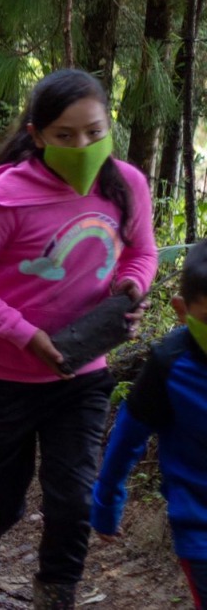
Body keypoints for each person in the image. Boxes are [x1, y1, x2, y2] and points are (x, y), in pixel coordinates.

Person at [0, 68, 157, 609]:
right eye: (65, 135)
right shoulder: (9, 195)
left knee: (73, 501)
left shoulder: (127, 184)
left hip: (81, 374)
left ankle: (54, 598)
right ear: (37, 135)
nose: (82, 145)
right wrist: (25, 334)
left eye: (93, 132)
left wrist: (133, 283)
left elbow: (142, 252)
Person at [92, 240, 207, 609]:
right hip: (201, 535)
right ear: (181, 310)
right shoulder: (169, 364)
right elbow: (127, 437)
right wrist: (106, 504)